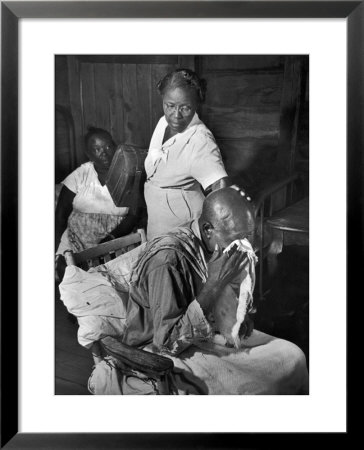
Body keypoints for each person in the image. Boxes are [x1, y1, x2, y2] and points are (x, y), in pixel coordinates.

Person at [144, 68, 249, 240]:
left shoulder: (200, 141)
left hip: (183, 235)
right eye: (170, 105)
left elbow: (222, 190)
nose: (176, 115)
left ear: (196, 104)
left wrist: (214, 236)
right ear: (162, 99)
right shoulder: (163, 123)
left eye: (185, 107)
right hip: (157, 228)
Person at [55, 127, 138, 280]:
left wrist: (110, 240)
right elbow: (61, 214)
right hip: (76, 241)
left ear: (116, 148)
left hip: (116, 241)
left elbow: (134, 214)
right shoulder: (81, 174)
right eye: (97, 149)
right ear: (89, 153)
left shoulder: (129, 174)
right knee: (70, 277)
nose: (105, 153)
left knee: (113, 280)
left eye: (108, 147)